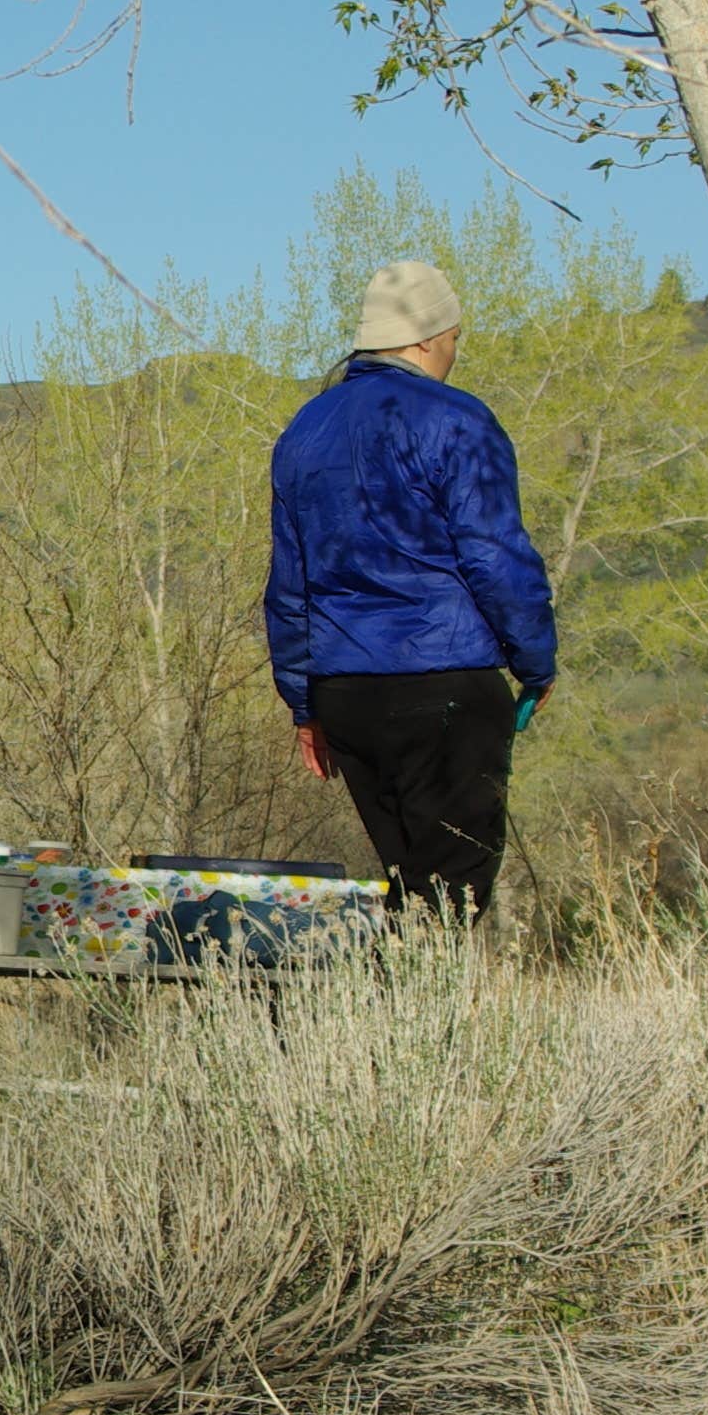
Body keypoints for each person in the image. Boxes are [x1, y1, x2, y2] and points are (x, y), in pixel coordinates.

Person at [263, 258, 558, 919]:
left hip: (347, 693)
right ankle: (421, 1016)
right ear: (427, 337)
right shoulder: (457, 420)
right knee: (454, 892)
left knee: (408, 890)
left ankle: (383, 1015)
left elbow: (289, 586)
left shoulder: (304, 432)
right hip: (444, 679)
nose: (454, 352)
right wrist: (536, 662)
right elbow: (494, 554)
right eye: (453, 337)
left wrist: (304, 703)